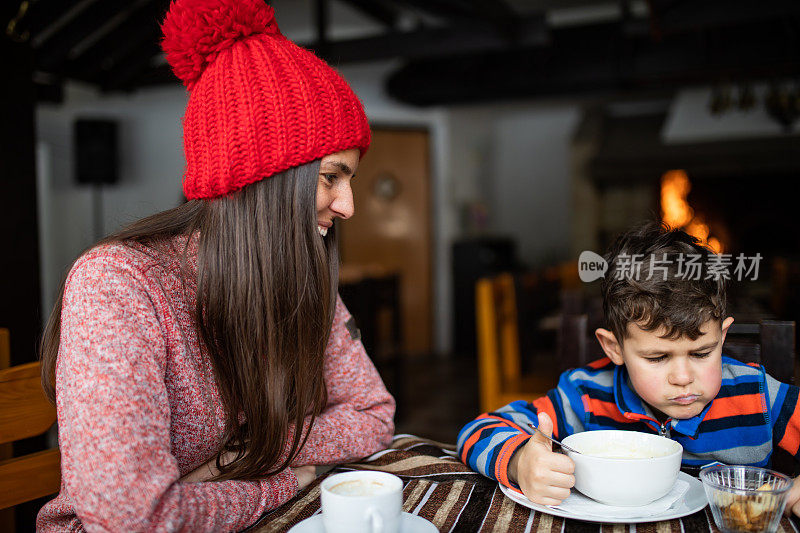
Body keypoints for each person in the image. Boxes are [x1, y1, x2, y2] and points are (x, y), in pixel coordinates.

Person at [36, 0, 395, 530]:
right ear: (265, 175)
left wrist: (240, 458)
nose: (348, 207)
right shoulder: (117, 285)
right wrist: (283, 478)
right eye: (330, 177)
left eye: (351, 181)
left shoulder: (298, 274)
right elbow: (134, 520)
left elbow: (373, 415)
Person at [457, 221, 800, 515]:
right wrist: (520, 462)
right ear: (614, 348)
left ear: (722, 338)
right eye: (657, 358)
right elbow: (478, 429)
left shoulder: (757, 395)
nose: (683, 378)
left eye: (701, 353)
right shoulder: (586, 395)